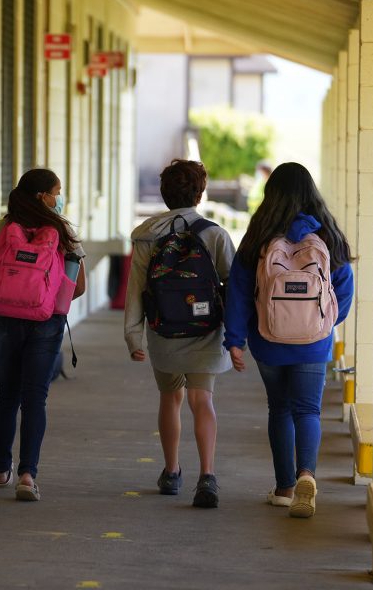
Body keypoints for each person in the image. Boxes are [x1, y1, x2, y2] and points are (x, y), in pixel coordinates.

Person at [223, 162, 354, 518]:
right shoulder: (327, 235)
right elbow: (343, 289)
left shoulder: (260, 235)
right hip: (313, 342)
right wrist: (322, 323)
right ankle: (307, 476)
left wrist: (234, 339)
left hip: (268, 340)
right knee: (308, 409)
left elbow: (238, 290)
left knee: (279, 409)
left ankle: (284, 488)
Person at [0, 168, 86, 502]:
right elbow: (79, 287)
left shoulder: (3, 228)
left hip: (5, 320)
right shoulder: (64, 232)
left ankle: (1, 465)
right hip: (46, 322)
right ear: (43, 196)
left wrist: (1, 296)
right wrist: (44, 299)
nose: (60, 197)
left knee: (7, 396)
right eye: (57, 191)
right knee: (35, 399)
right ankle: (27, 476)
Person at [124, 159, 235, 508]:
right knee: (202, 400)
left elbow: (136, 288)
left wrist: (133, 335)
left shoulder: (146, 233)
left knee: (170, 398)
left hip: (163, 329)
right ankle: (207, 477)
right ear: (200, 193)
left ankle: (171, 472)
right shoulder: (214, 234)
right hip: (205, 330)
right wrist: (237, 338)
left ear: (164, 193)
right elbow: (234, 287)